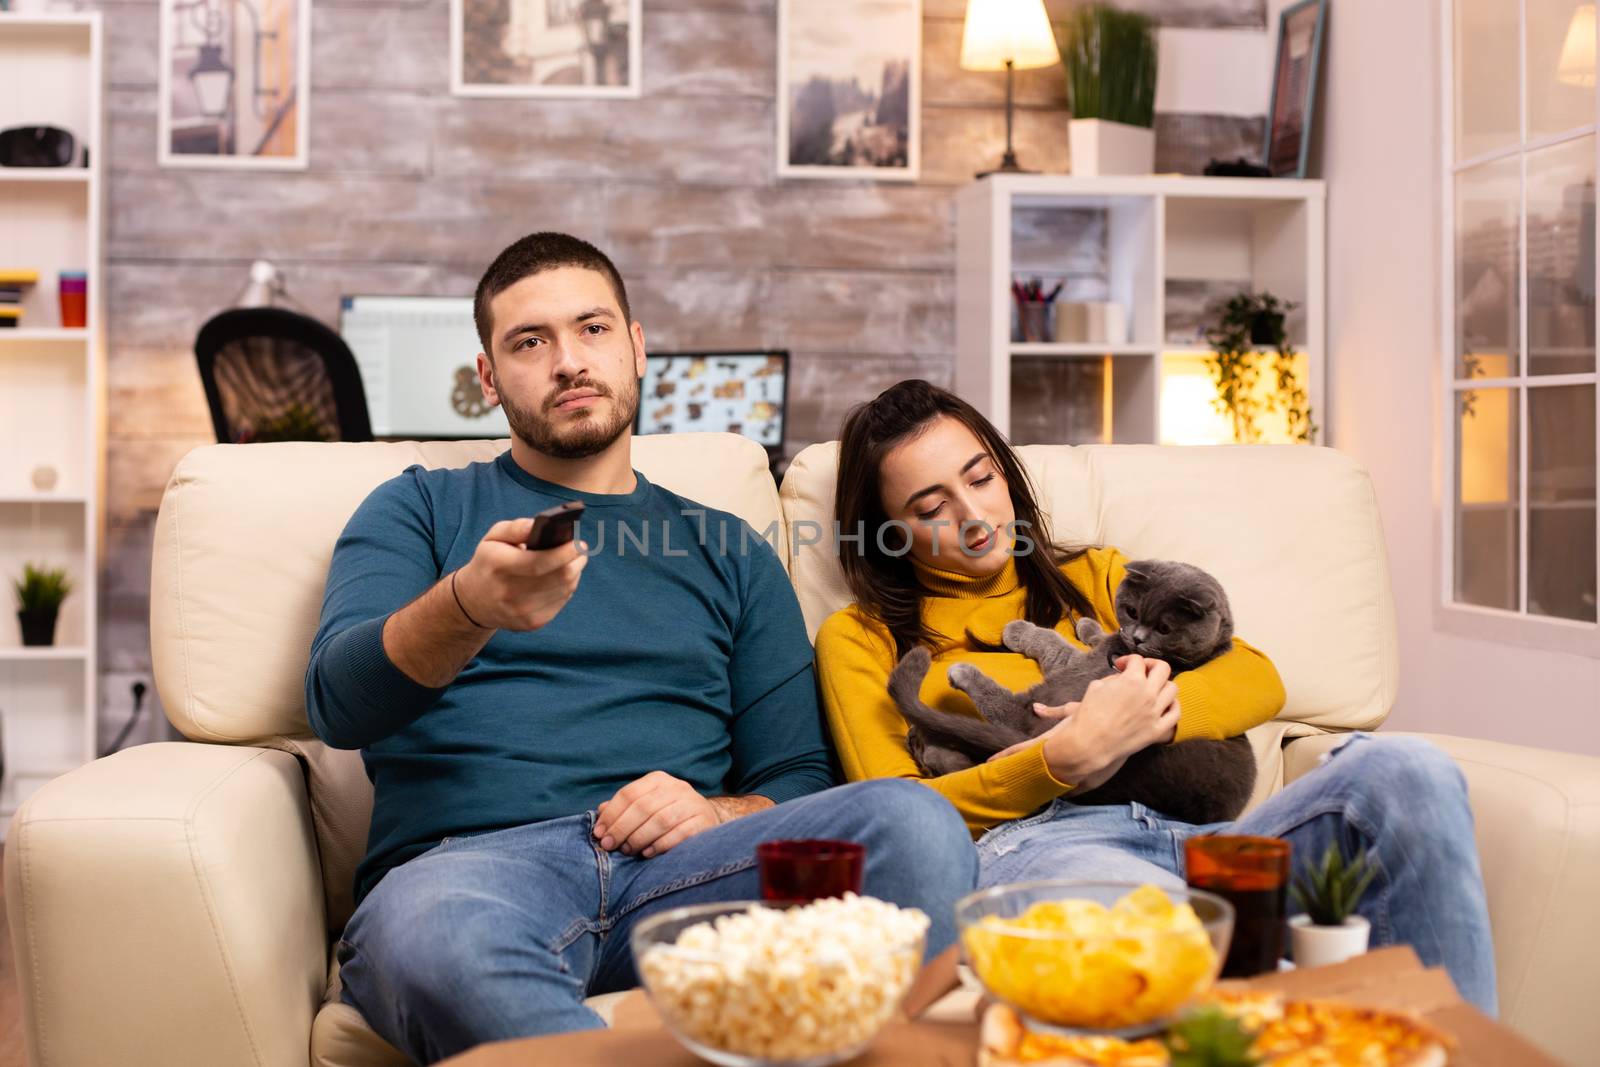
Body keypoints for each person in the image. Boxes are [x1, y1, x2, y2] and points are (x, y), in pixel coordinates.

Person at [305, 237, 977, 1064]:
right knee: (439, 939)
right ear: (488, 379)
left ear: (637, 346)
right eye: (529, 341)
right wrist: (469, 604)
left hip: (686, 869)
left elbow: (798, 776)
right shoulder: (420, 508)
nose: (567, 362)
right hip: (471, 872)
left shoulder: (727, 547)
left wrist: (717, 811)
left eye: (591, 329)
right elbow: (339, 705)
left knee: (912, 820)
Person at [814, 379, 1497, 1014]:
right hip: (1043, 852)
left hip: (1206, 837)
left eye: (981, 477)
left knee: (1409, 770)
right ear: (888, 531)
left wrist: (1142, 721)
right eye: (931, 507)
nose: (973, 515)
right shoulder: (861, 637)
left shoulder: (1100, 574)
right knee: (1177, 941)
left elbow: (1255, 674)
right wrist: (1062, 757)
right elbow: (900, 812)